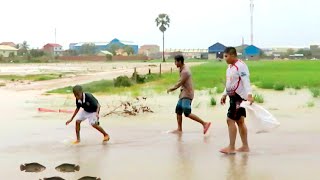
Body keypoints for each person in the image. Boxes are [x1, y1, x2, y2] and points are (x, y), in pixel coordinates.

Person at [220, 47, 254, 154]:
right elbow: (229, 83)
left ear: (233, 55)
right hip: (232, 97)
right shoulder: (229, 68)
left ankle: (231, 147)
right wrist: (224, 94)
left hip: (239, 98)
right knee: (240, 121)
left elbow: (246, 80)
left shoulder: (241, 66)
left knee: (230, 120)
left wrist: (249, 94)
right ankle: (245, 146)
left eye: (226, 56)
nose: (224, 58)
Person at [167, 55, 211, 134]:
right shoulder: (181, 68)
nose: (175, 63)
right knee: (178, 110)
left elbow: (179, 83)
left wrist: (171, 89)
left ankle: (205, 123)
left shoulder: (185, 71)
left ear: (180, 61)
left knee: (187, 113)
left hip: (187, 94)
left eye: (176, 62)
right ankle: (179, 129)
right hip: (183, 93)